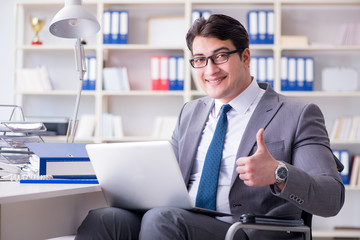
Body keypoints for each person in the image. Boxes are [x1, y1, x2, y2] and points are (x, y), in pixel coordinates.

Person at [75, 14, 345, 240]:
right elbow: (167, 177)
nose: (210, 69)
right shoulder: (190, 112)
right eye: (200, 59)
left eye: (221, 56)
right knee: (104, 219)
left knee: (162, 219)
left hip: (249, 230)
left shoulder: (298, 114)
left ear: (246, 57)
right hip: (183, 218)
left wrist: (279, 173)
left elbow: (331, 198)